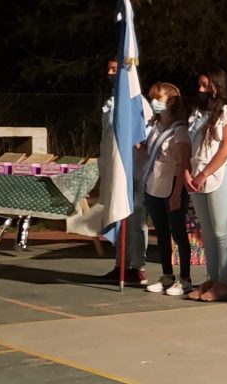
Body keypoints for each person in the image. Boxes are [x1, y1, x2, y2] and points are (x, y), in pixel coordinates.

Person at [185, 68, 227, 302]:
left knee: (221, 231)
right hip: (197, 174)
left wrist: (203, 175)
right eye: (199, 85)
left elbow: (225, 148)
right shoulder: (198, 114)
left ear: (216, 86)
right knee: (207, 232)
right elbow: (190, 146)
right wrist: (189, 173)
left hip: (220, 174)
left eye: (205, 85)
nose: (200, 90)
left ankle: (224, 281)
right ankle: (211, 278)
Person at [96, 57, 151, 284]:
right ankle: (120, 264)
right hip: (115, 169)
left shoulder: (138, 103)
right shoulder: (112, 102)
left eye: (114, 69)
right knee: (118, 217)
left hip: (133, 171)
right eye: (108, 69)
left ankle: (138, 266)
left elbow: (145, 136)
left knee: (136, 220)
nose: (110, 73)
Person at [141, 82, 192, 296]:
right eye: (152, 97)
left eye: (158, 98)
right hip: (154, 183)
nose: (153, 102)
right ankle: (167, 275)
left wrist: (177, 192)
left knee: (178, 232)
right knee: (161, 233)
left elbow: (183, 163)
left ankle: (186, 278)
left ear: (171, 102)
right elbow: (148, 151)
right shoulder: (153, 127)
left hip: (172, 184)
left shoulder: (179, 131)